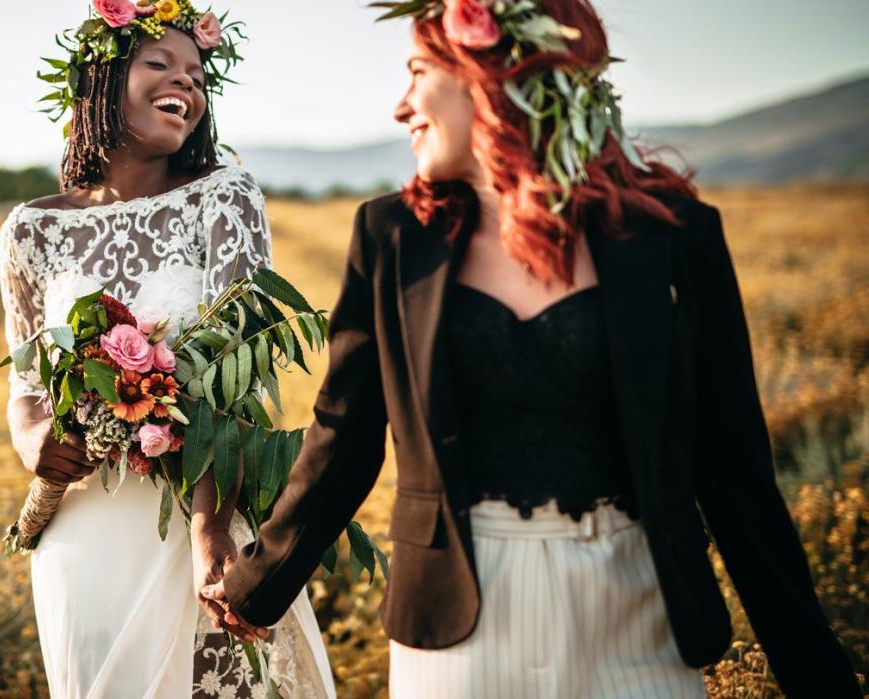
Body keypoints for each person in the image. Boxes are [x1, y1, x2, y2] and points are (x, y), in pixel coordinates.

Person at [200, 1, 862, 697]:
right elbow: (345, 435)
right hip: (454, 626)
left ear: (494, 72)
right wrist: (254, 581)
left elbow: (735, 471)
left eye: (419, 71)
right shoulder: (391, 237)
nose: (400, 107)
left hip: (638, 613)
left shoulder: (674, 235)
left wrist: (820, 677)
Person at [0, 2, 336, 697]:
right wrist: (31, 435)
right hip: (84, 533)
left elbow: (240, 375)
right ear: (101, 76)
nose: (186, 81)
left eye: (199, 73)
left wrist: (210, 530)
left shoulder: (225, 196)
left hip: (196, 514)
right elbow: (25, 379)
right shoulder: (31, 230)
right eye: (161, 63)